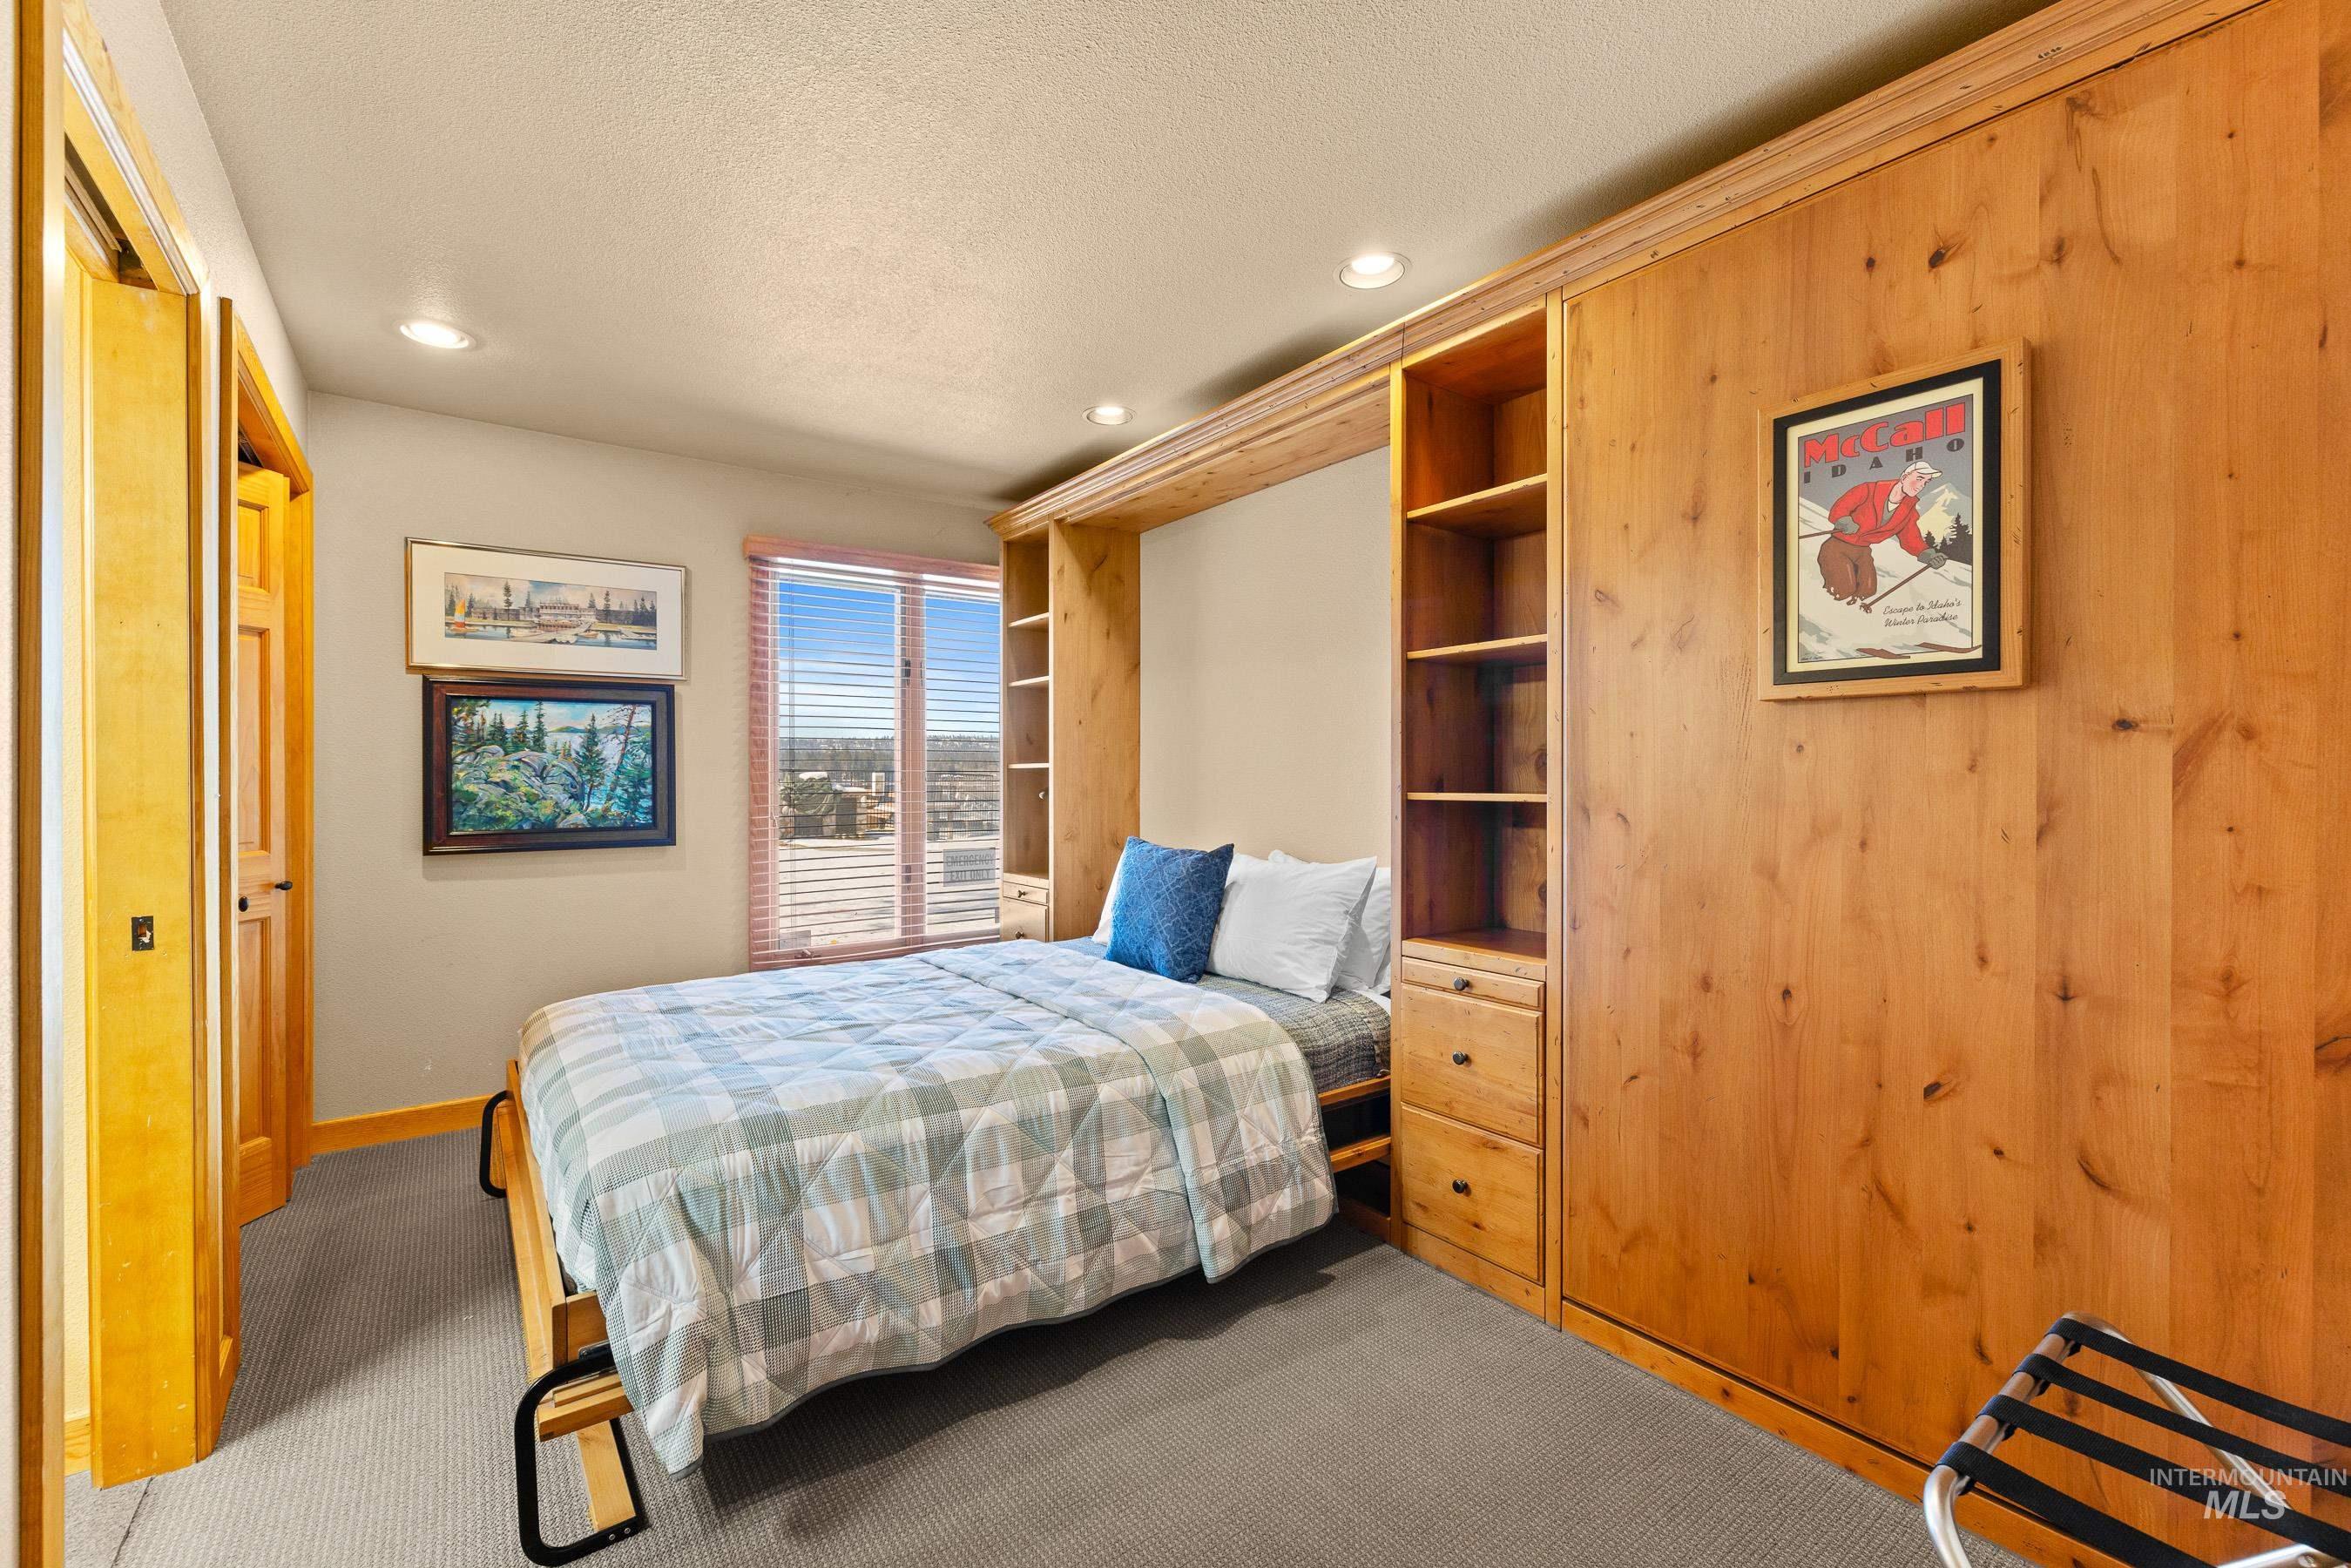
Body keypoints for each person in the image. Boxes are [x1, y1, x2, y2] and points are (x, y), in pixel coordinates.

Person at [1818, 458, 1950, 604]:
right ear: (1904, 477)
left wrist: (1929, 556)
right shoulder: (1869, 490)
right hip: (1837, 548)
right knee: (1843, 590)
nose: (1921, 486)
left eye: (1926, 482)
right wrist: (1844, 520)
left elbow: (1910, 538)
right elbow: (1841, 507)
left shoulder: (1908, 510)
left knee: (1867, 591)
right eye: (1919, 479)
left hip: (1863, 552)